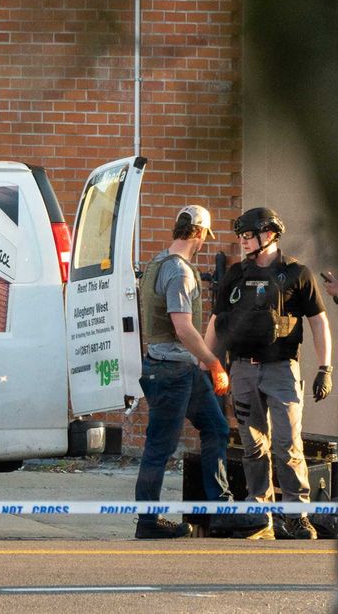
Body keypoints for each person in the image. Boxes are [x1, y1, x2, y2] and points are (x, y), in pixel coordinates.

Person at [206, 207, 333, 540]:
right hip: (243, 371)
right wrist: (208, 364)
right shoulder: (234, 275)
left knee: (287, 445)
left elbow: (319, 322)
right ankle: (258, 512)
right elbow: (216, 323)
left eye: (248, 236)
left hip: (281, 370)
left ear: (268, 234)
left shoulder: (297, 273)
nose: (243, 242)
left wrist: (325, 368)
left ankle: (295, 516)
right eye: (241, 237)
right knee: (253, 447)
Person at [133, 205, 231, 539]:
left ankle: (221, 509)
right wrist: (214, 362)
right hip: (170, 371)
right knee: (159, 447)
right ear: (200, 233)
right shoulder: (179, 272)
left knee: (216, 427)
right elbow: (184, 328)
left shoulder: (156, 262)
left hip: (178, 369)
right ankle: (147, 522)